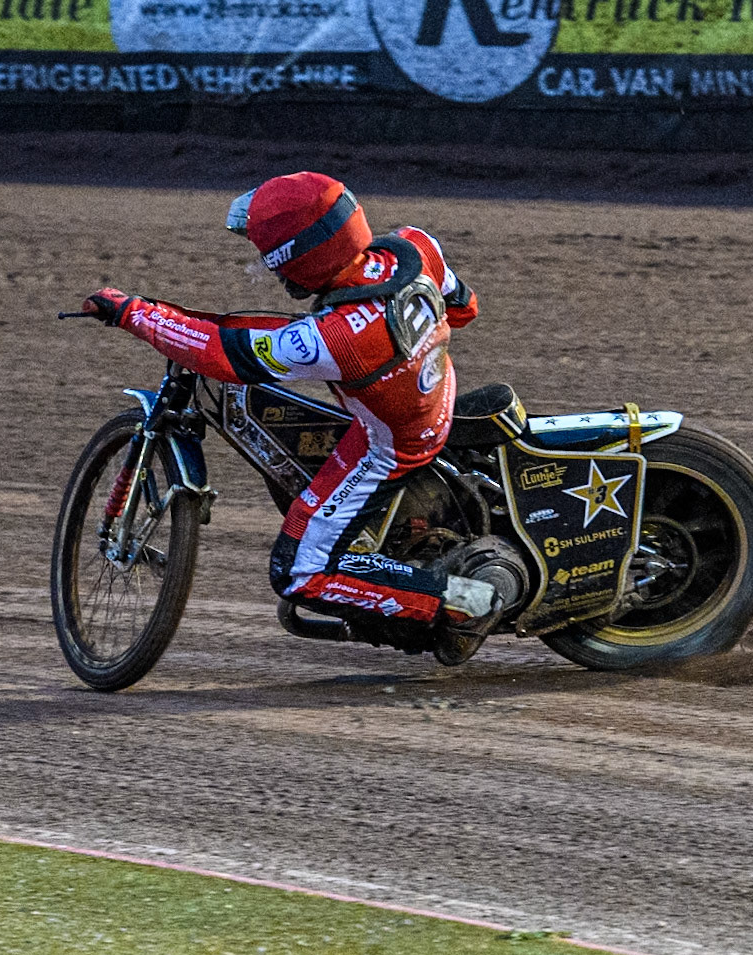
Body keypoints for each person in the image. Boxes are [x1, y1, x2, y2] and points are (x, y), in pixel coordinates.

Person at [80, 171, 505, 661]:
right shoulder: (414, 247)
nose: (269, 269)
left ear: (299, 259)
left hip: (390, 445)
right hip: (437, 396)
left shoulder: (337, 338)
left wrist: (132, 312)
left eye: (271, 256)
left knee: (299, 572)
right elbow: (465, 307)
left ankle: (467, 603)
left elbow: (226, 355)